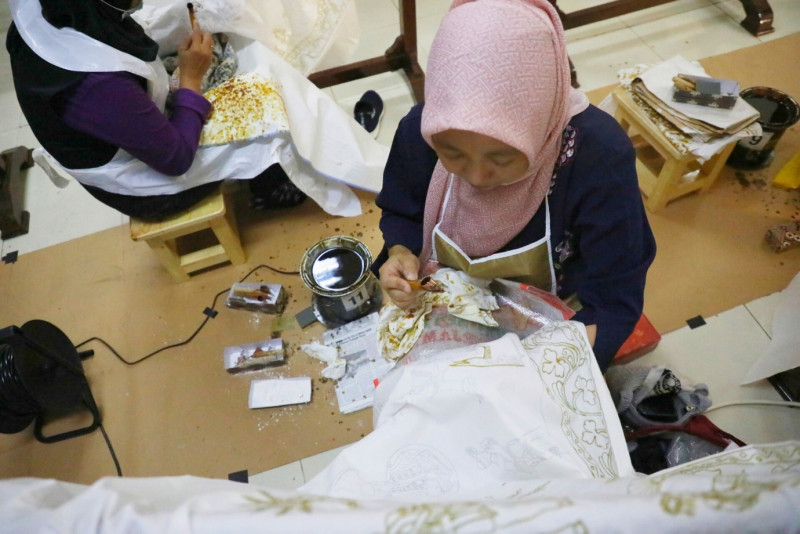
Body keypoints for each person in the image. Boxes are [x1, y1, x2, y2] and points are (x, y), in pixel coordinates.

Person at [372, 0, 656, 371]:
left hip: (551, 324)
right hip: (446, 301)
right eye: (453, 155)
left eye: (502, 158)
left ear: (540, 125)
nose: (476, 178)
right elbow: (402, 208)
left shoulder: (597, 156)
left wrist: (540, 370)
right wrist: (400, 252)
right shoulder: (421, 130)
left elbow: (614, 300)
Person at [6, 0, 304, 220]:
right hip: (146, 190)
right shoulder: (94, 83)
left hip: (120, 129)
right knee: (268, 108)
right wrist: (191, 79)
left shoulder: (50, 11)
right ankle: (270, 190)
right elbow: (176, 159)